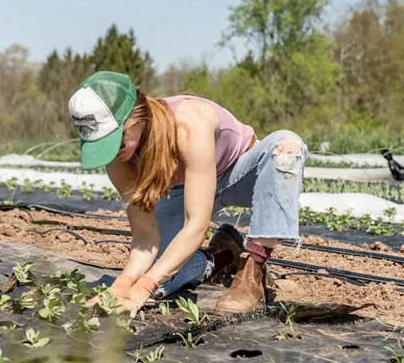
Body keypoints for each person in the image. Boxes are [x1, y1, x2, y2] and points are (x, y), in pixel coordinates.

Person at [69, 71, 307, 318]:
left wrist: (142, 288)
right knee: (158, 278)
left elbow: (196, 225)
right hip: (185, 189)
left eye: (116, 141)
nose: (114, 152)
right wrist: (122, 287)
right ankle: (220, 257)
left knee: (287, 147)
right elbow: (145, 238)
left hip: (239, 173)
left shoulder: (188, 123)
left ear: (136, 116)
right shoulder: (118, 160)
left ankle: (253, 269)